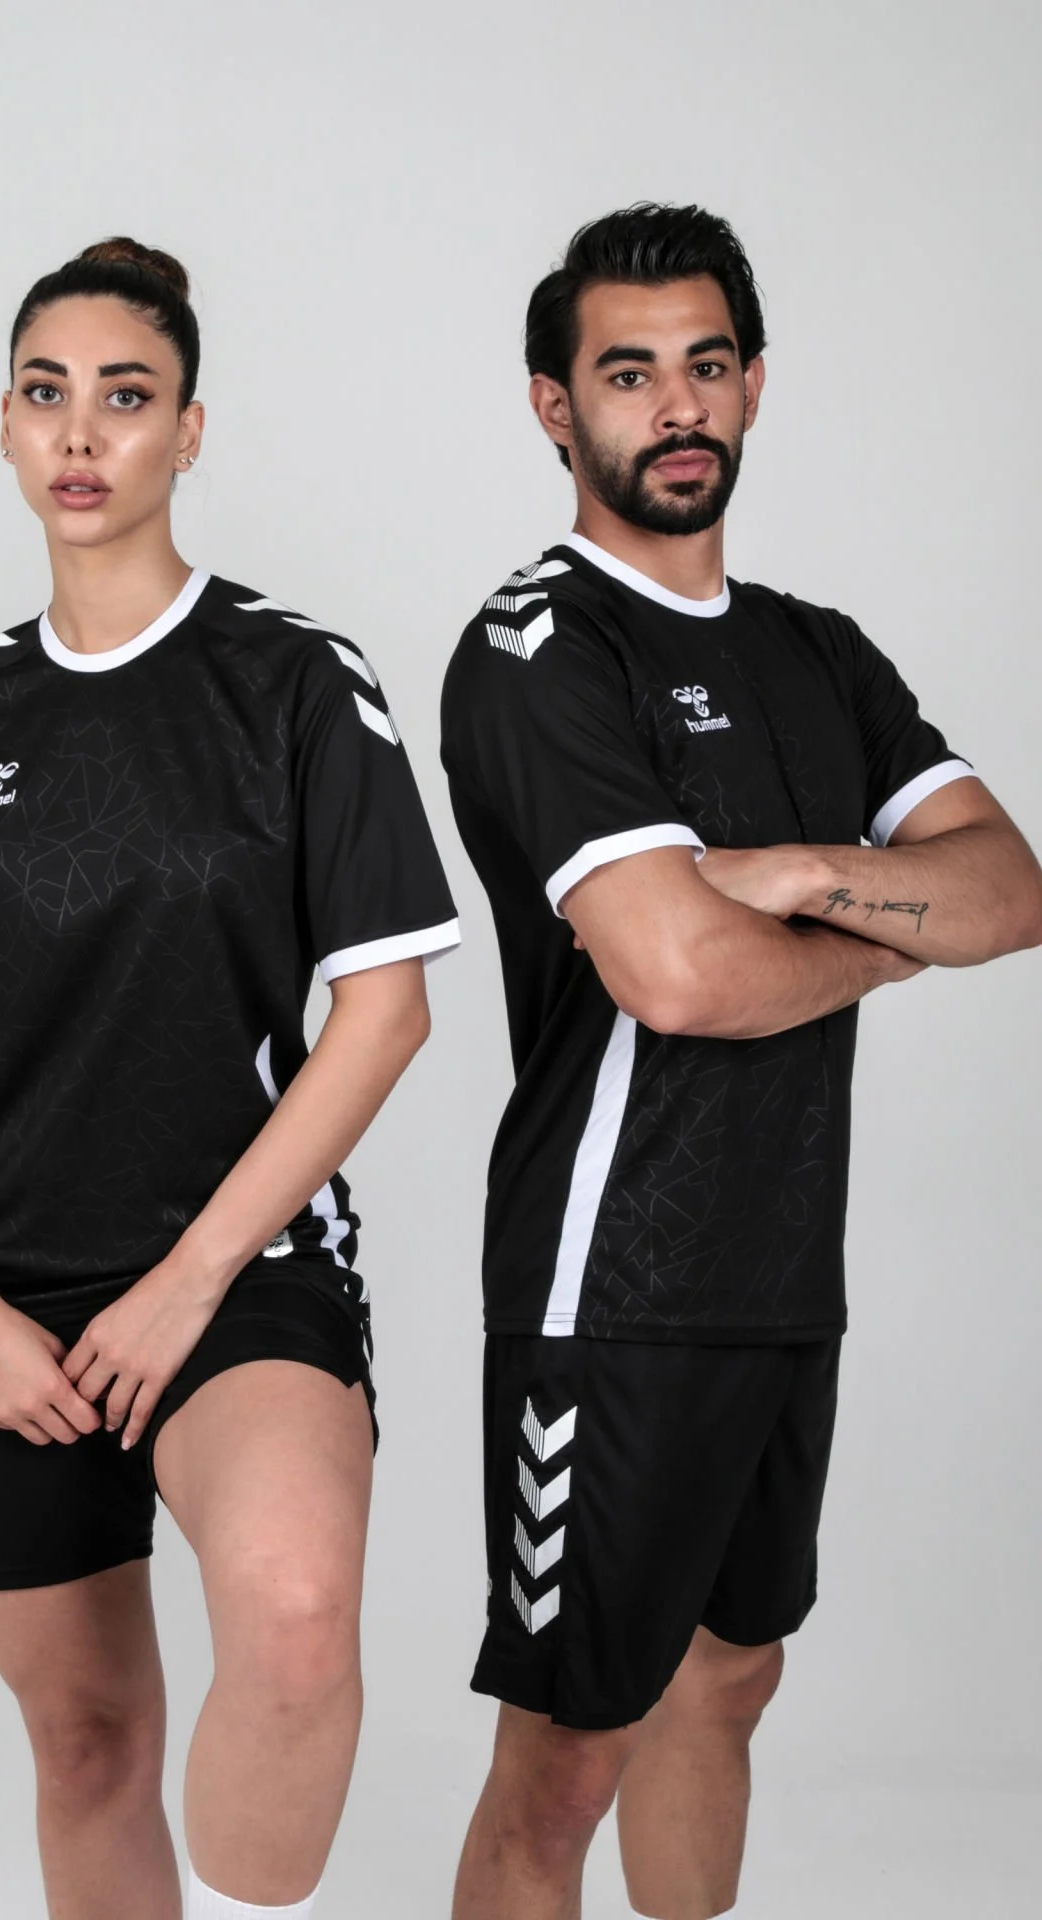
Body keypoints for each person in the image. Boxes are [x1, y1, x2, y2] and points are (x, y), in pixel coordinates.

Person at [0, 236, 459, 1920]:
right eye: (47, 393)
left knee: (294, 1634)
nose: (82, 430)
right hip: (3, 1295)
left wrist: (185, 1282)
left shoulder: (292, 683)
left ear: (189, 431)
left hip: (239, 1269)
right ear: (6, 428)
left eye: (127, 395)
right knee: (87, 1747)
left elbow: (385, 1012)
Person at [439, 202, 1042, 1920]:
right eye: (628, 373)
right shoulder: (540, 647)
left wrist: (792, 875)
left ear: (756, 385)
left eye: (707, 365)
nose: (678, 405)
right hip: (610, 1283)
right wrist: (891, 931)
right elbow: (679, 976)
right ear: (556, 406)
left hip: (783, 1268)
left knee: (728, 1678)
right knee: (569, 1752)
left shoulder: (816, 652)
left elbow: (1012, 890)